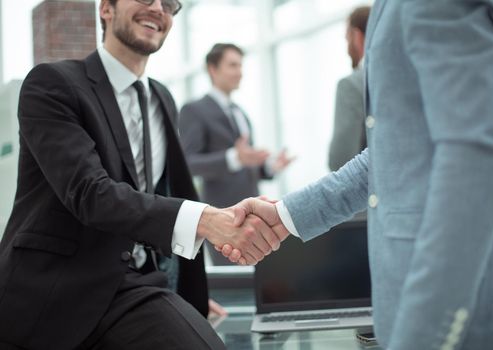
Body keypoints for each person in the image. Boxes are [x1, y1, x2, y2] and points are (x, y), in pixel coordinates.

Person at [223, 1, 493, 350]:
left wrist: (425, 335)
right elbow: (389, 155)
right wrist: (286, 215)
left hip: (463, 306)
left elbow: (473, 163)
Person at [0, 0, 283, 349]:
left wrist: (183, 299)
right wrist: (207, 220)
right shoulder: (53, 84)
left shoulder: (162, 99)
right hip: (56, 290)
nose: (157, 8)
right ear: (106, 8)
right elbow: (91, 193)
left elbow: (157, 195)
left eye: (168, 4)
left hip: (135, 288)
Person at [179, 43, 293, 209]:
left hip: (252, 209)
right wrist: (233, 157)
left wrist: (269, 167)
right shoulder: (194, 110)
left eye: (241, 65)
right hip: (220, 212)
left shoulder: (240, 113)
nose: (240, 72)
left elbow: (246, 165)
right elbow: (189, 163)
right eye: (233, 65)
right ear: (212, 69)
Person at [328, 6, 370, 171]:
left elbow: (341, 161)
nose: (347, 50)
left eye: (347, 39)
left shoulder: (352, 85)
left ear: (357, 36)